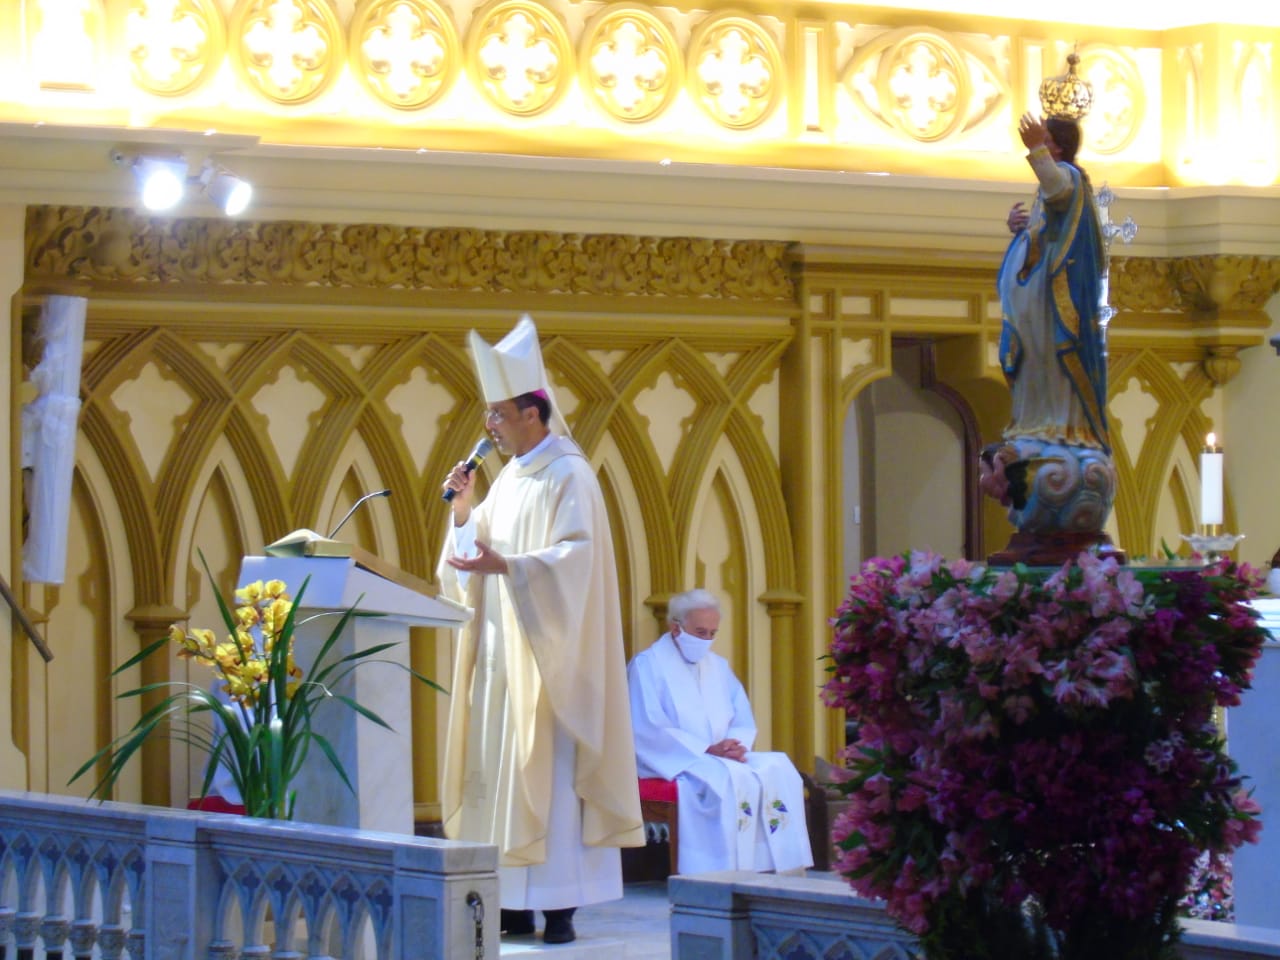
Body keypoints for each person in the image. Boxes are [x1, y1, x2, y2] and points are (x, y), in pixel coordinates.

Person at [437, 316, 644, 945]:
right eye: (489, 416)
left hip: (551, 657)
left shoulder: (568, 474)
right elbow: (474, 558)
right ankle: (512, 905)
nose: (489, 428)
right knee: (501, 774)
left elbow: (576, 561)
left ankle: (558, 908)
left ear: (535, 411)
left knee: (549, 778)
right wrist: (465, 510)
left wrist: (515, 568)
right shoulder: (512, 478)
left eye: (498, 415)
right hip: (505, 654)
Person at [626, 589, 813, 875]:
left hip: (719, 755)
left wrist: (736, 745)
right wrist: (706, 749)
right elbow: (647, 726)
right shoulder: (647, 665)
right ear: (675, 627)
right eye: (700, 632)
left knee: (778, 766)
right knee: (726, 779)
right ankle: (718, 868)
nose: (706, 640)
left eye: (713, 633)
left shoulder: (718, 666)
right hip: (676, 759)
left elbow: (741, 714)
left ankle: (774, 863)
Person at [998, 111, 1109, 453]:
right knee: (1035, 356)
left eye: (1045, 141)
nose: (1039, 147)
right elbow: (1043, 229)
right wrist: (1019, 226)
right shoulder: (1049, 185)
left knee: (1055, 354)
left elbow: (1057, 189)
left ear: (1058, 148)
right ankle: (1037, 419)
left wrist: (1034, 150)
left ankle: (1062, 422)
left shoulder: (1069, 177)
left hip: (1057, 297)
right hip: (1038, 296)